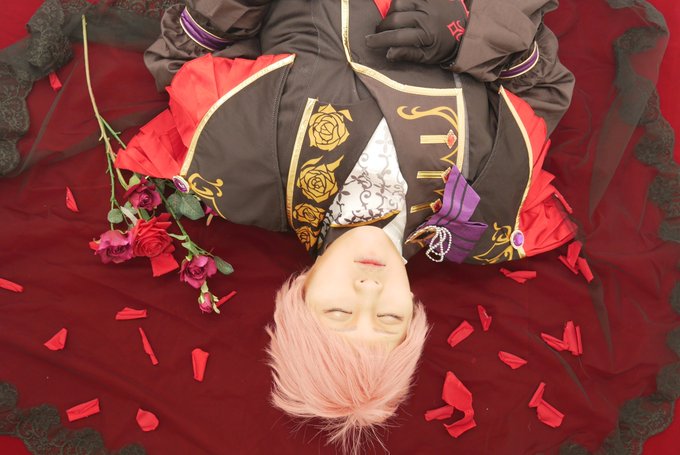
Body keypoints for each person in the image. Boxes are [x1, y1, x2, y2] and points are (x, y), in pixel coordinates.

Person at [111, 0, 578, 451]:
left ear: (301, 291)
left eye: (339, 313)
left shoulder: (242, 174)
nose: (367, 290)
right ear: (414, 311)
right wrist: (468, 32)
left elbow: (183, 61)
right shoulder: (488, 213)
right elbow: (542, 93)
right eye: (388, 318)